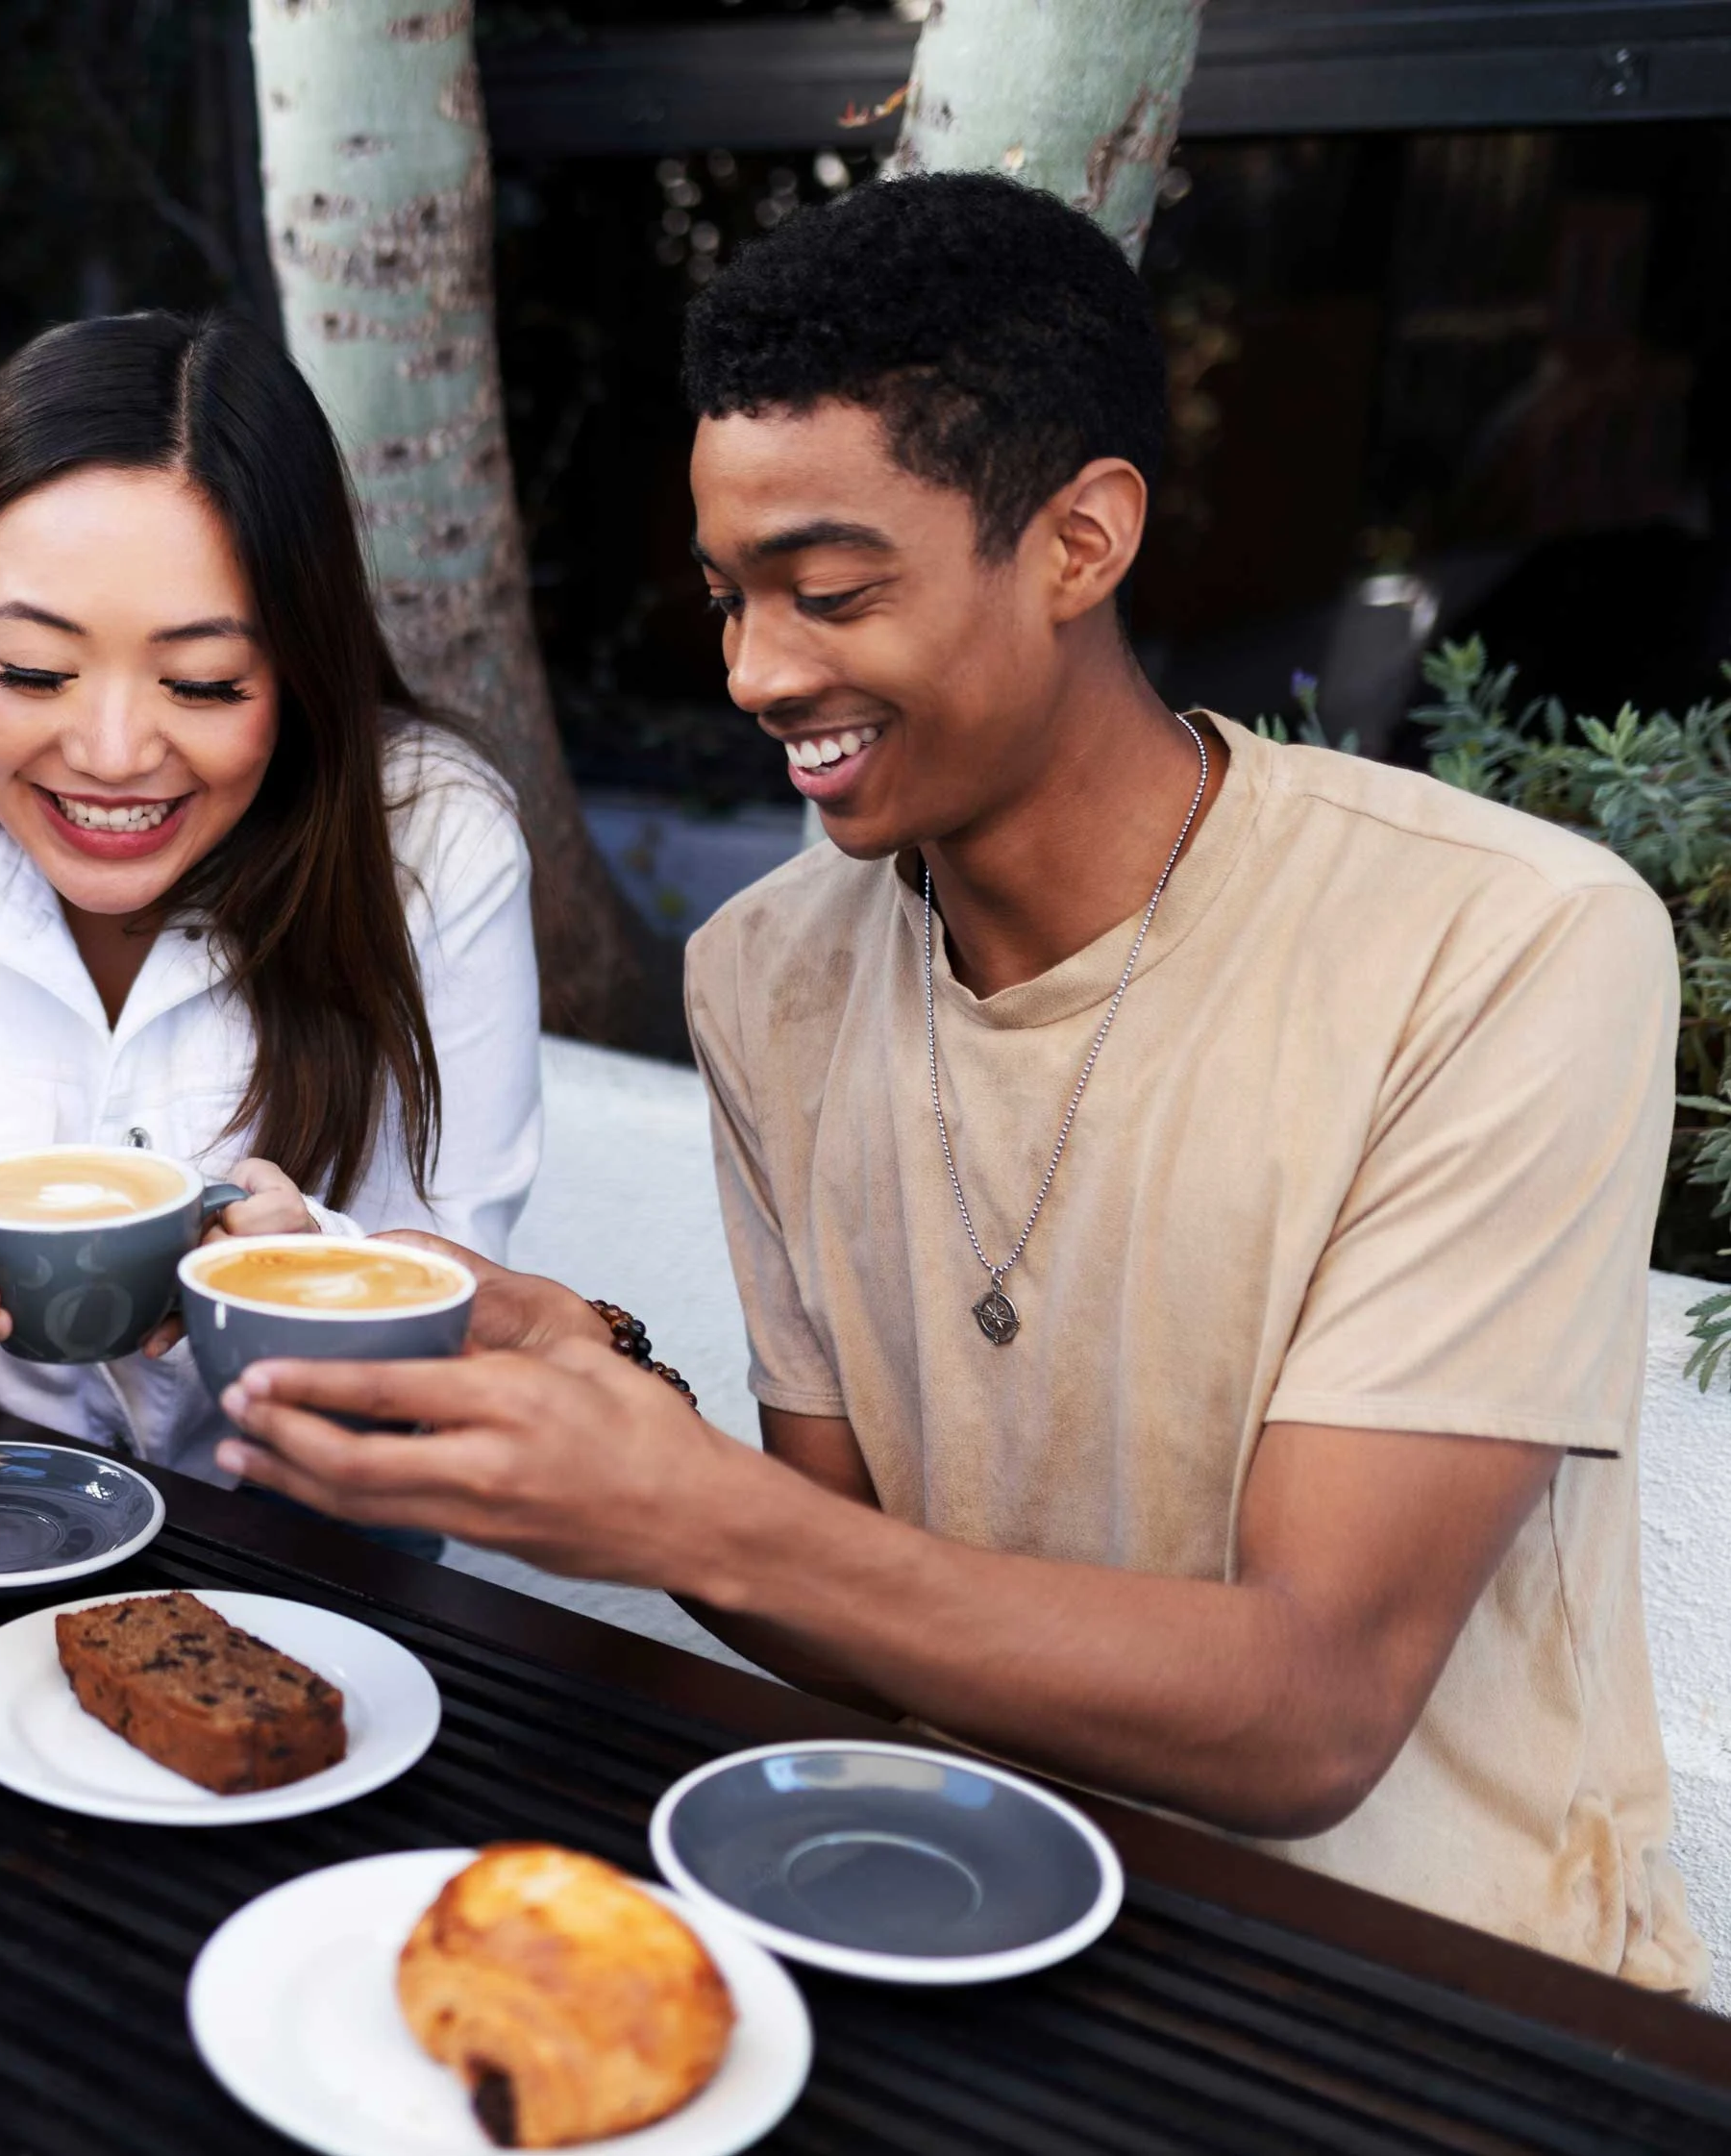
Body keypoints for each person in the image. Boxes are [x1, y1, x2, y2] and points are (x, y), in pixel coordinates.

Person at [211, 174, 1707, 1992]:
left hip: (1423, 1995)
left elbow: (1312, 1713)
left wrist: (697, 1507)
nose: (758, 670)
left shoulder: (1506, 944)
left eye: (831, 590)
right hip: (950, 1922)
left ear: (1081, 542)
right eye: (724, 595)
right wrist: (615, 1407)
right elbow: (857, 1619)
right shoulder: (764, 971)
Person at [0, 310, 543, 1472]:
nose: (111, 751)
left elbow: (451, 1345)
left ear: (298, 662)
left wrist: (307, 1264)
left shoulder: (429, 840)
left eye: (201, 682)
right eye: (34, 671)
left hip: (295, 1581)